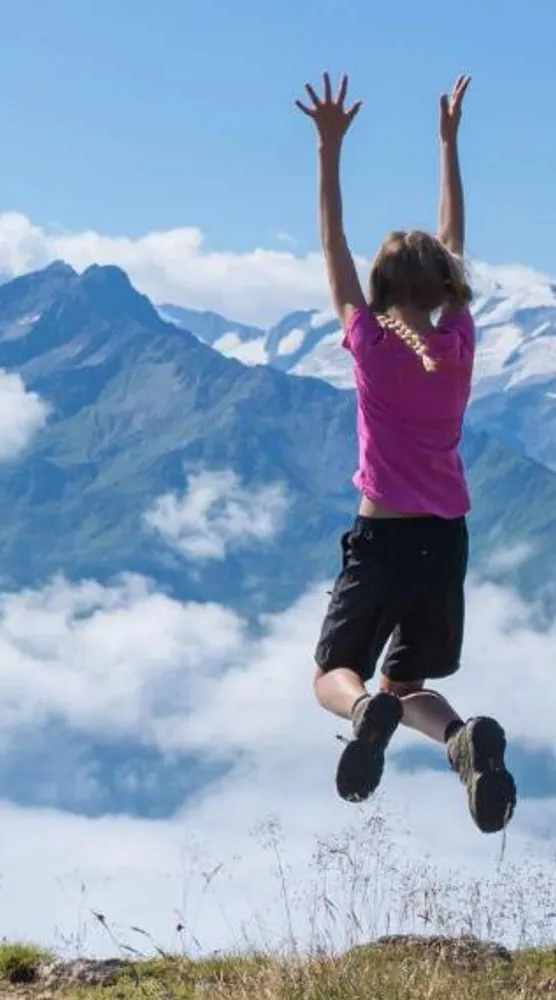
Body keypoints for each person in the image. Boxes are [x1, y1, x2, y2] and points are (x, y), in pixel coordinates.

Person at [296, 72, 516, 834]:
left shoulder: (370, 343)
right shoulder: (459, 341)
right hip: (445, 541)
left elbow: (333, 243)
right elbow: (453, 244)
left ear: (381, 290)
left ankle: (362, 713)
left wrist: (328, 152)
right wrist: (448, 144)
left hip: (383, 537)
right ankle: (460, 739)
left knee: (333, 675)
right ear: (446, 288)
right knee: (408, 683)